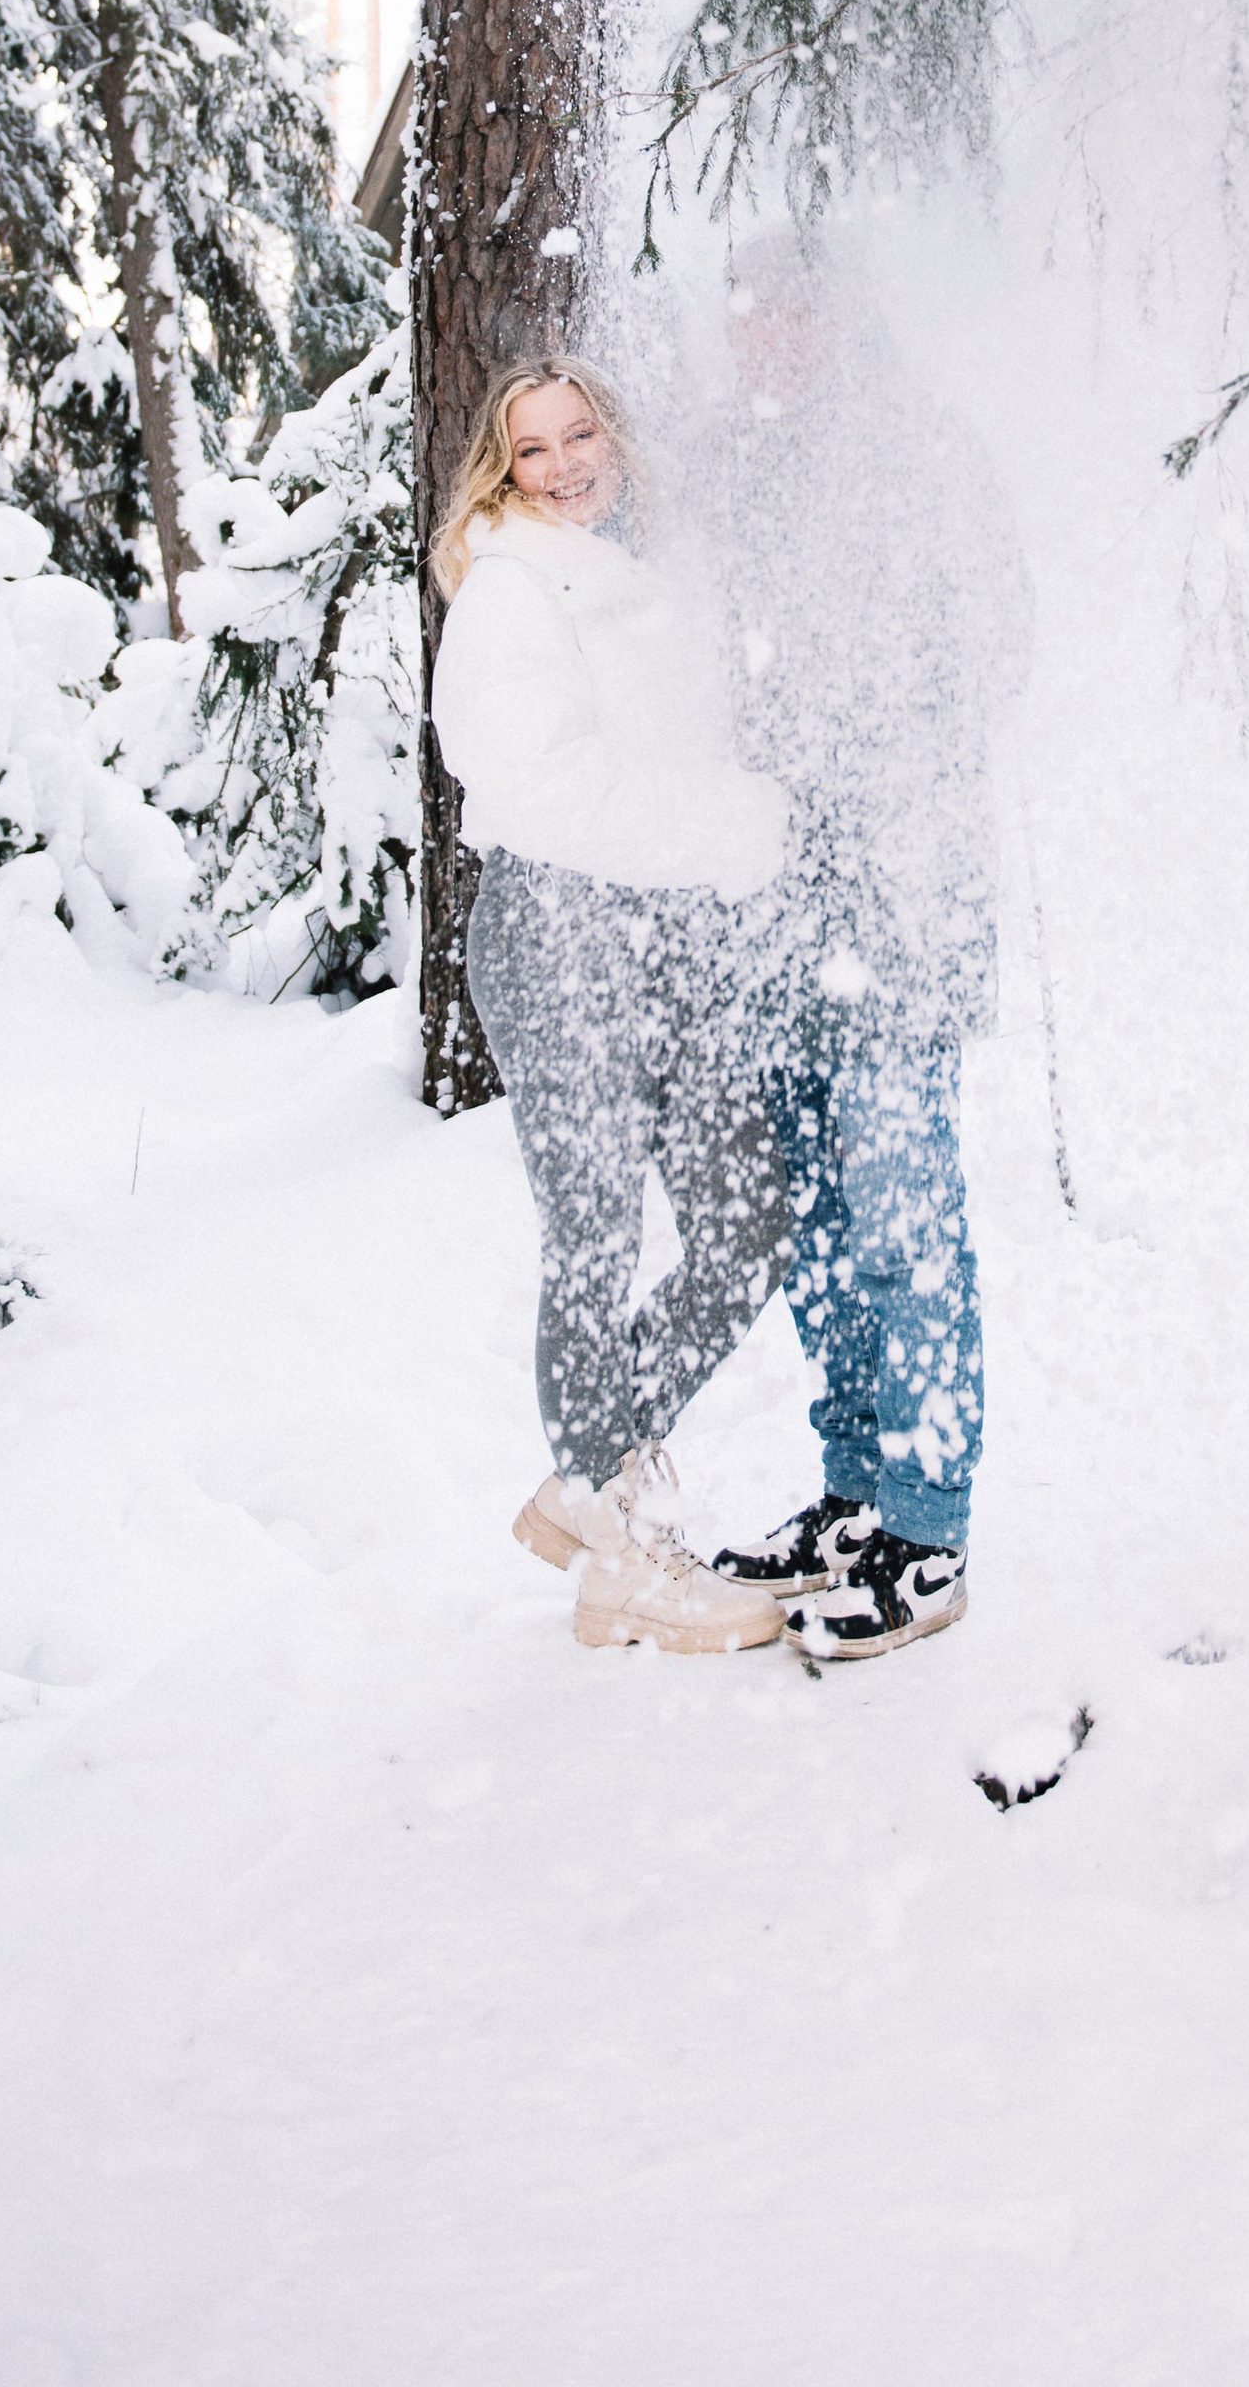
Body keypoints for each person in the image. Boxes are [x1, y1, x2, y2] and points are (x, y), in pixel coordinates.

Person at [430, 356, 794, 1655]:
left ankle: (589, 1484)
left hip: (664, 939)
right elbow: (545, 792)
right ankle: (622, 1552)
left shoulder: (644, 577)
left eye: (583, 434)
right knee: (595, 1236)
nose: (567, 463)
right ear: (503, 472)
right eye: (534, 451)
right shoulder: (510, 595)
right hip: (560, 930)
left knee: (745, 1216)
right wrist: (735, 826)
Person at [699, 238, 1031, 1659]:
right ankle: (851, 1487)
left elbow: (999, 643)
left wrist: (880, 751)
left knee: (905, 1215)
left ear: (846, 319)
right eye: (750, 311)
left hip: (901, 902)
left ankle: (928, 1522)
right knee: (819, 1234)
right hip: (777, 910)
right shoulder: (728, 467)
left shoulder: (922, 456)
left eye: (797, 309)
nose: (769, 334)